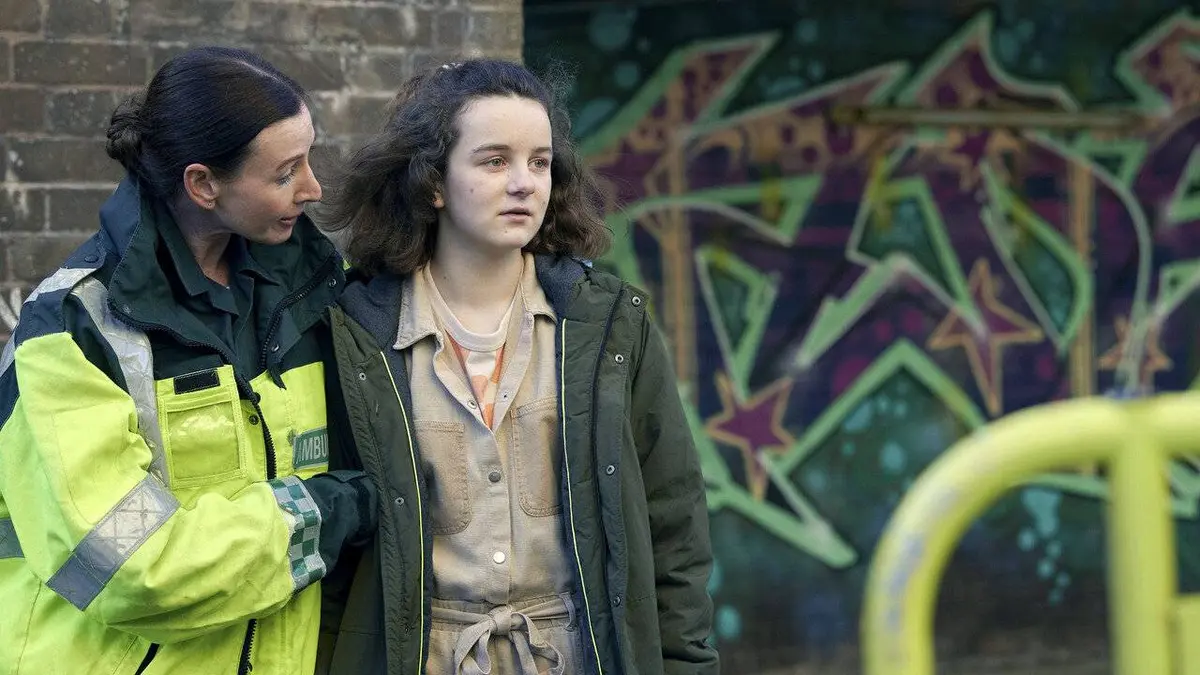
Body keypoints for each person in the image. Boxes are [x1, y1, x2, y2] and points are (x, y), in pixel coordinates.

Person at [315, 59, 719, 674]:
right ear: (433, 182)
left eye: (540, 162)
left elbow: (674, 524)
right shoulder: (356, 335)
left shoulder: (610, 326)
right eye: (495, 161)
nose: (525, 183)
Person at [0, 46, 376, 675]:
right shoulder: (70, 331)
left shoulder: (317, 294)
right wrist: (337, 509)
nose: (313, 189)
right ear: (203, 184)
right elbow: (132, 567)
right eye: (285, 173)